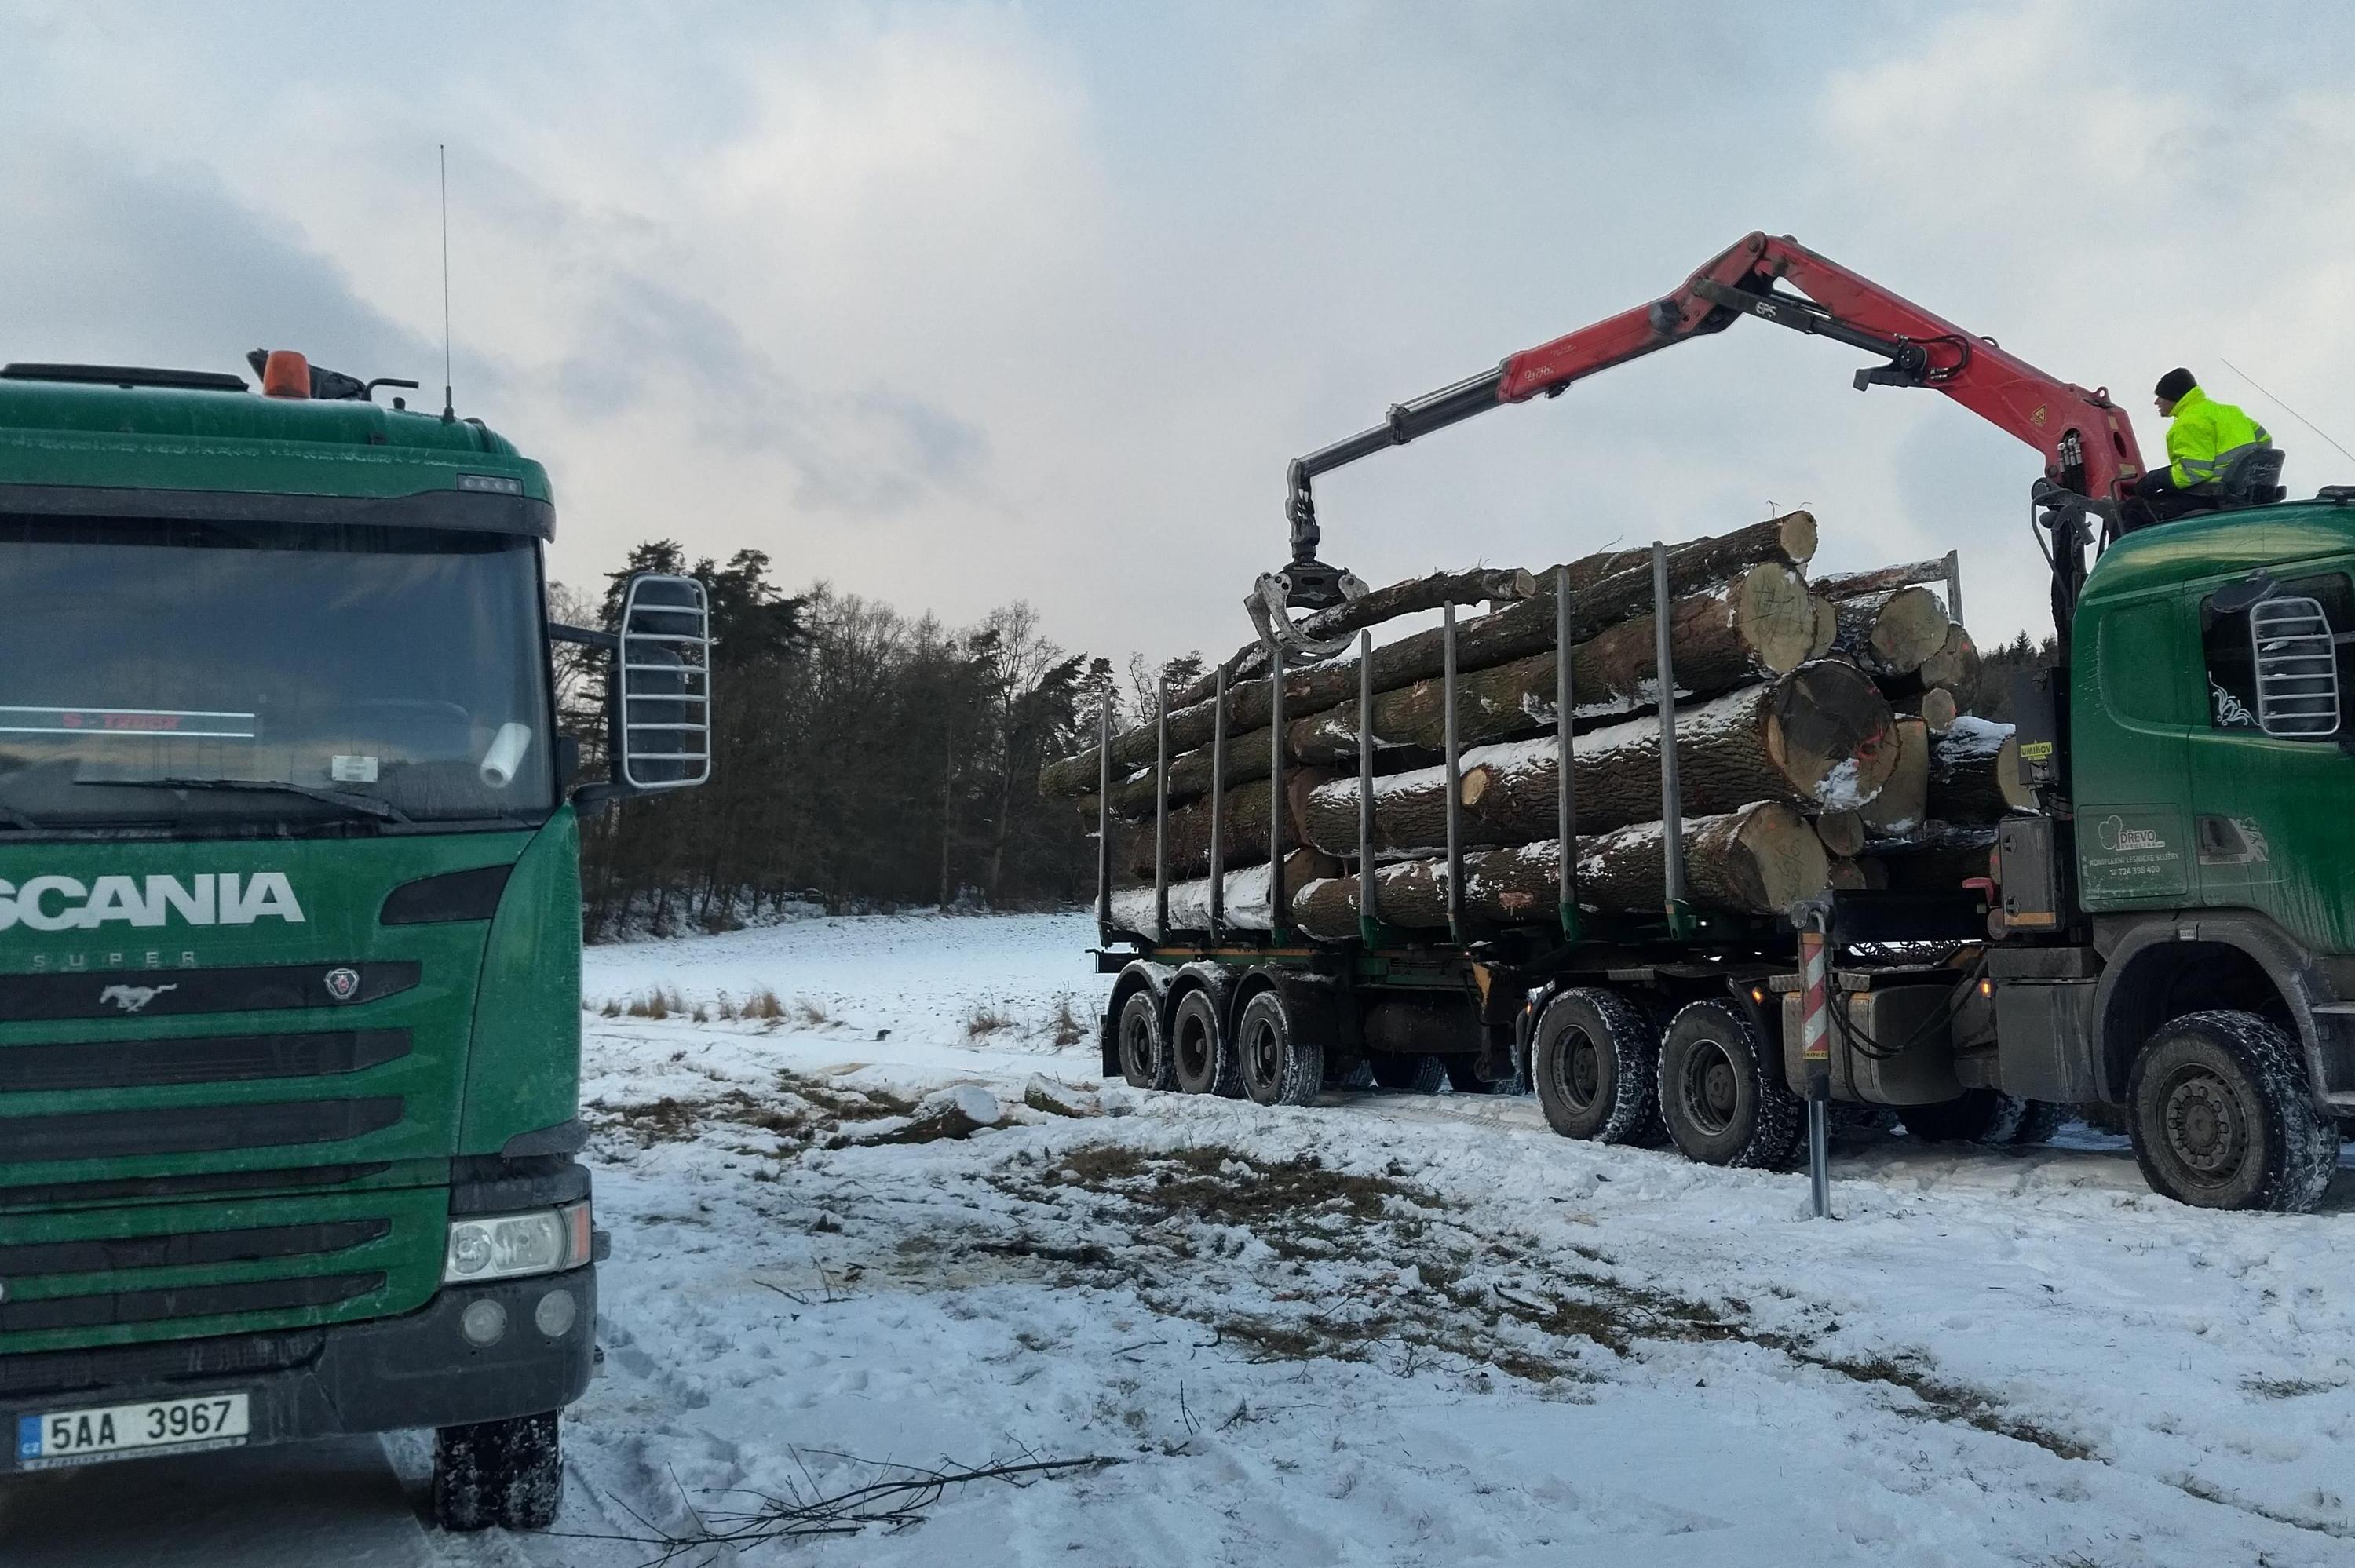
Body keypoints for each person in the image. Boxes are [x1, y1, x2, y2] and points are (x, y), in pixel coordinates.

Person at [2121, 367, 2272, 532]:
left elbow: (2194, 472)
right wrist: (2240, 474)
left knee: (2133, 510)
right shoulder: (2231, 412)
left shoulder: (2189, 422)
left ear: (2174, 396)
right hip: (2244, 495)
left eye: (2161, 396)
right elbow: (2265, 440)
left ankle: (2124, 557)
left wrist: (2153, 480)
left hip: (2213, 498)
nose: (2157, 402)